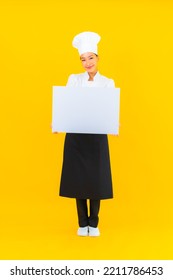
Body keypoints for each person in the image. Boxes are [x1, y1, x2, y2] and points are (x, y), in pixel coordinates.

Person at [58, 31, 116, 237]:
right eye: (83, 59)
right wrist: (58, 121)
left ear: (98, 58)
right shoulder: (73, 79)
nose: (87, 62)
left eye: (90, 57)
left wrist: (113, 124)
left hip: (97, 137)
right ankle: (82, 223)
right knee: (78, 178)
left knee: (96, 179)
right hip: (76, 137)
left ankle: (94, 222)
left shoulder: (108, 82)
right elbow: (65, 104)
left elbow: (109, 109)